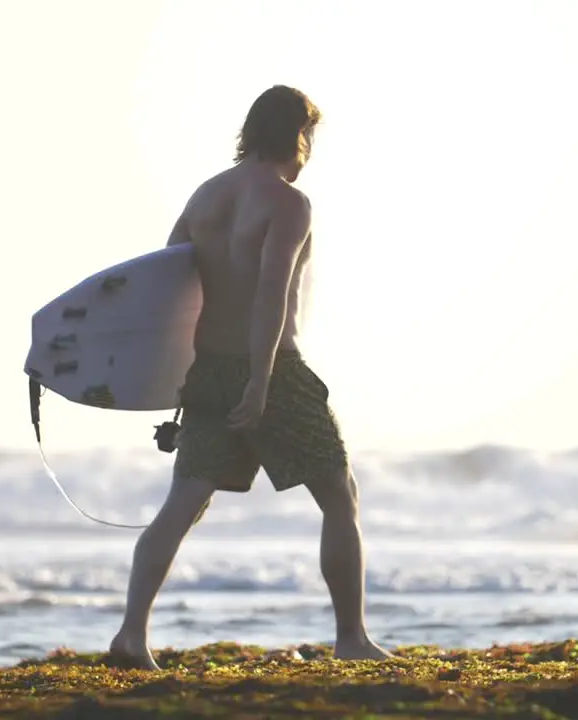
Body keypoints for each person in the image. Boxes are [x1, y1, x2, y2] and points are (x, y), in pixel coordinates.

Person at [108, 85, 392, 670]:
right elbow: (269, 293)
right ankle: (352, 639)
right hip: (274, 371)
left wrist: (176, 385)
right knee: (340, 496)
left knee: (181, 505)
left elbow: (167, 292)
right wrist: (260, 382)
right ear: (297, 134)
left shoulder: (207, 196)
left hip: (207, 368)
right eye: (310, 134)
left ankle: (132, 636)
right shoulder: (289, 204)